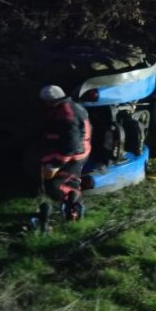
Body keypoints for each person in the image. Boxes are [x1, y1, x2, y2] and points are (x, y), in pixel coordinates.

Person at [36, 84, 91, 230]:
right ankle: (71, 207)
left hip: (74, 154)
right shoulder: (71, 106)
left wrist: (55, 164)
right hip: (75, 151)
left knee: (56, 186)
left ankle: (74, 207)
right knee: (66, 181)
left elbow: (71, 145)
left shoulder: (67, 115)